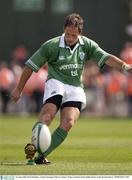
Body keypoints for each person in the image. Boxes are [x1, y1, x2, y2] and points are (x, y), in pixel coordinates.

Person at [11, 13, 132, 164]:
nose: (70, 37)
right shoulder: (51, 45)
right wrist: (18, 89)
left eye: (74, 35)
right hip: (56, 82)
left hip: (75, 86)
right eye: (67, 34)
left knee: (68, 122)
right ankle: (32, 149)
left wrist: (125, 67)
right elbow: (30, 66)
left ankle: (40, 157)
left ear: (80, 33)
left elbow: (106, 57)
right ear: (64, 30)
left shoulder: (87, 44)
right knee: (47, 116)